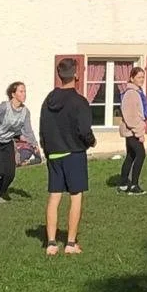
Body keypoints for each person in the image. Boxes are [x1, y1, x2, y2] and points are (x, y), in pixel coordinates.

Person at [39, 58, 96, 254]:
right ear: (76, 75)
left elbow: (43, 129)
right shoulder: (79, 102)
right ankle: (70, 243)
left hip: (54, 153)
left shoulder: (48, 100)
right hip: (74, 153)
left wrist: (47, 151)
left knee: (54, 197)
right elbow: (84, 130)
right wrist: (91, 142)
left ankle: (51, 243)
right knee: (76, 196)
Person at [118, 66, 147, 195]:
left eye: (143, 77)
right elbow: (130, 116)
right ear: (132, 78)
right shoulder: (131, 93)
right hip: (132, 131)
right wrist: (139, 133)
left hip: (131, 130)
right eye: (139, 77)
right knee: (141, 154)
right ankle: (134, 185)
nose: (142, 80)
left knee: (131, 156)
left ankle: (124, 183)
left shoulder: (136, 92)